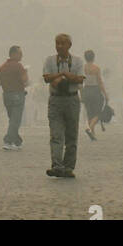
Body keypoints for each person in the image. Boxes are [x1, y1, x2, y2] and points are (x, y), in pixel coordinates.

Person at [43, 32, 84, 177]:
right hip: (55, 100)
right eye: (57, 43)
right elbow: (47, 78)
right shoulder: (50, 60)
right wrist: (62, 75)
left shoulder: (78, 61)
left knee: (71, 135)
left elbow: (79, 79)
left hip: (72, 100)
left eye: (62, 43)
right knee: (56, 134)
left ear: (69, 45)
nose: (59, 46)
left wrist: (63, 75)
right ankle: (57, 166)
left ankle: (68, 167)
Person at [0, 44, 29, 151]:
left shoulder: (2, 66)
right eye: (20, 53)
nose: (22, 56)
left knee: (13, 119)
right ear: (14, 54)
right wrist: (26, 72)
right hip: (18, 95)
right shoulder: (19, 66)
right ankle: (8, 141)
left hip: (6, 95)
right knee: (15, 120)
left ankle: (17, 141)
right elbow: (25, 81)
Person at [81, 52, 108, 139]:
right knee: (98, 111)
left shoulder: (83, 68)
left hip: (86, 90)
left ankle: (92, 133)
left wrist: (81, 93)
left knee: (89, 112)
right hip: (95, 91)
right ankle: (91, 126)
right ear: (93, 57)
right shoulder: (96, 68)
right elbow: (100, 82)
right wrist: (105, 94)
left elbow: (80, 82)